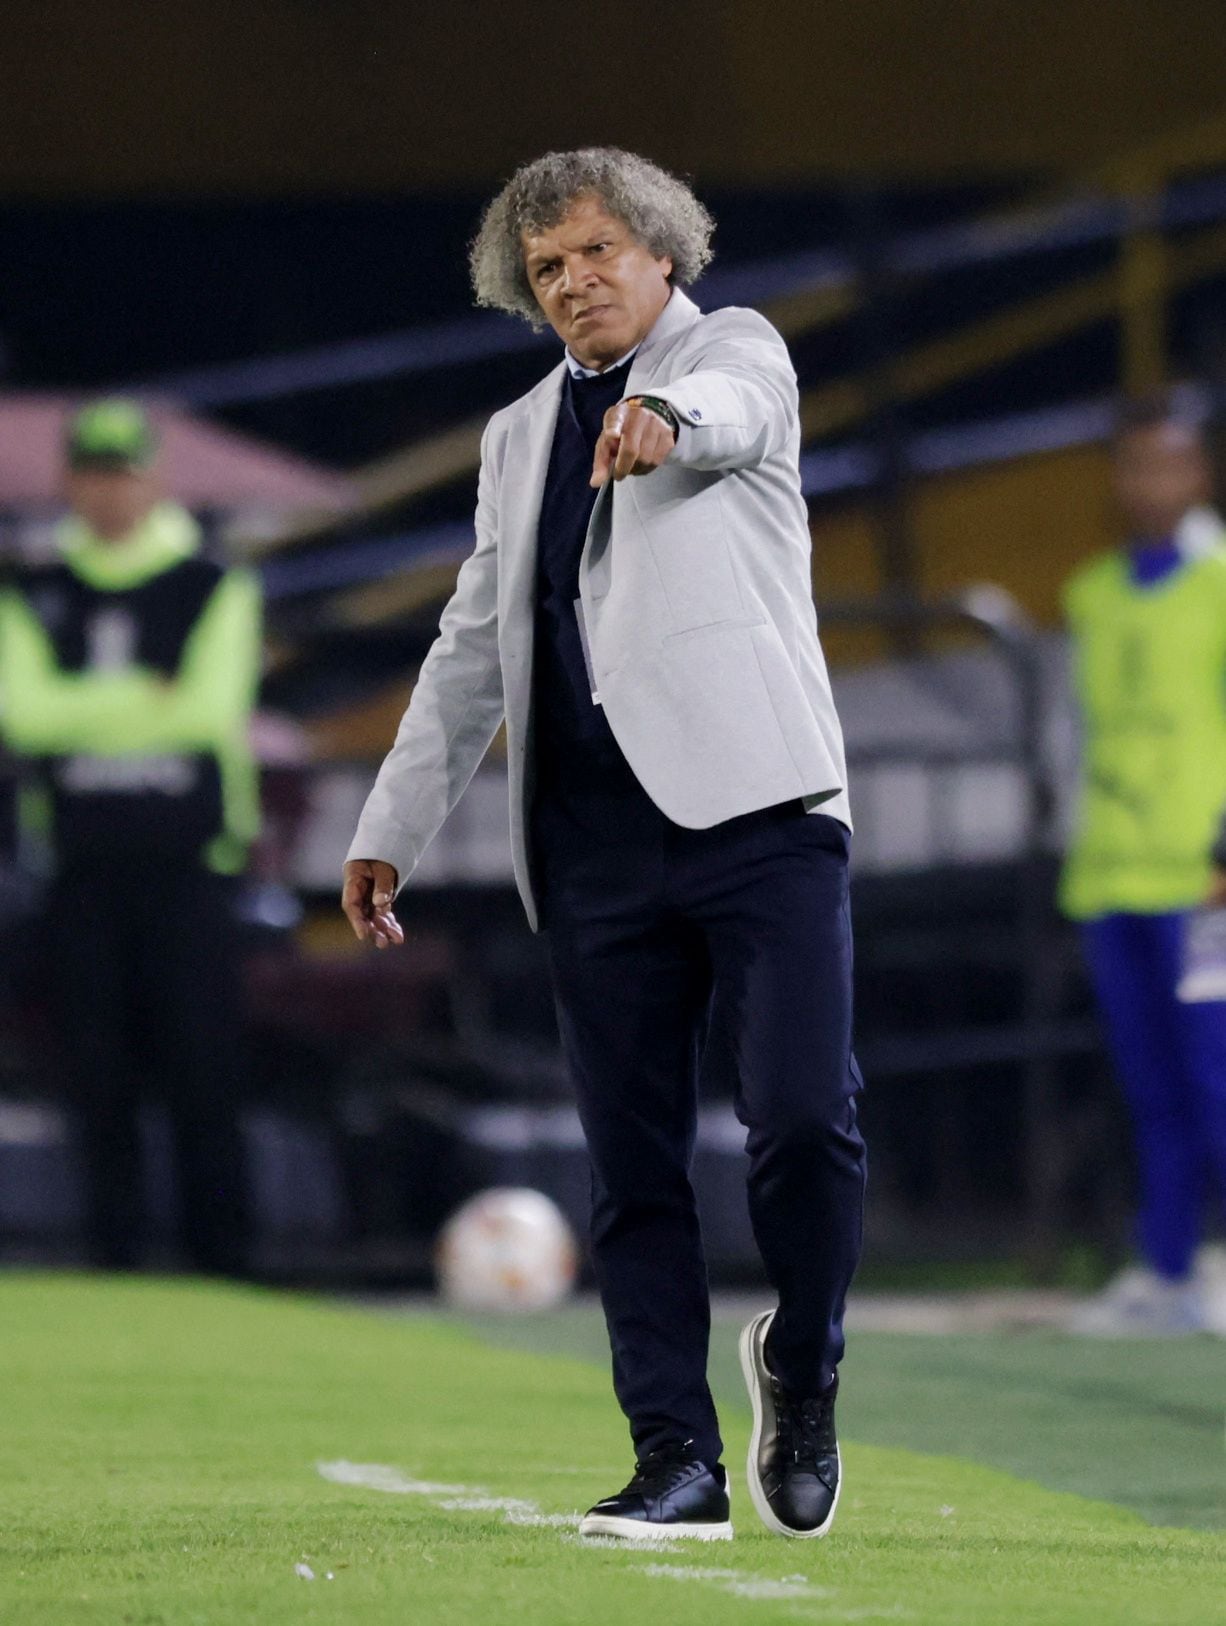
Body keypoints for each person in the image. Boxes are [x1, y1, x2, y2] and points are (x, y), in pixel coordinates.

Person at [342, 149, 865, 1540]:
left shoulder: (732, 352)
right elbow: (471, 645)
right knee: (629, 1166)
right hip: (588, 844)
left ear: (659, 252)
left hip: (759, 813)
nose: (572, 280)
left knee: (804, 1125)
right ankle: (674, 1458)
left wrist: (664, 420)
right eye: (546, 269)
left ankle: (801, 1363)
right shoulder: (517, 434)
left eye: (591, 251)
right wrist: (391, 823)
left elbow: (736, 411)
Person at [0, 398, 261, 1274]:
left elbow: (207, 711)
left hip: (191, 865)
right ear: (71, 481)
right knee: (95, 1077)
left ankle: (225, 1260)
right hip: (78, 868)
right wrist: (143, 699)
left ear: (153, 477)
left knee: (204, 1071)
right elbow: (23, 716)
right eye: (94, 473)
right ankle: (115, 1259)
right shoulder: (31, 588)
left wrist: (91, 715)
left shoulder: (213, 582)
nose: (111, 492)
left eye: (125, 473)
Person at [1061, 393, 1226, 1335]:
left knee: (1215, 1080)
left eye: (1172, 463)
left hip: (1202, 885)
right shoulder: (1092, 592)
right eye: (1136, 465)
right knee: (1151, 1089)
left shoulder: (1218, 583)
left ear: (1199, 472)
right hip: (1110, 880)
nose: (1153, 482)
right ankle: (1167, 1272)